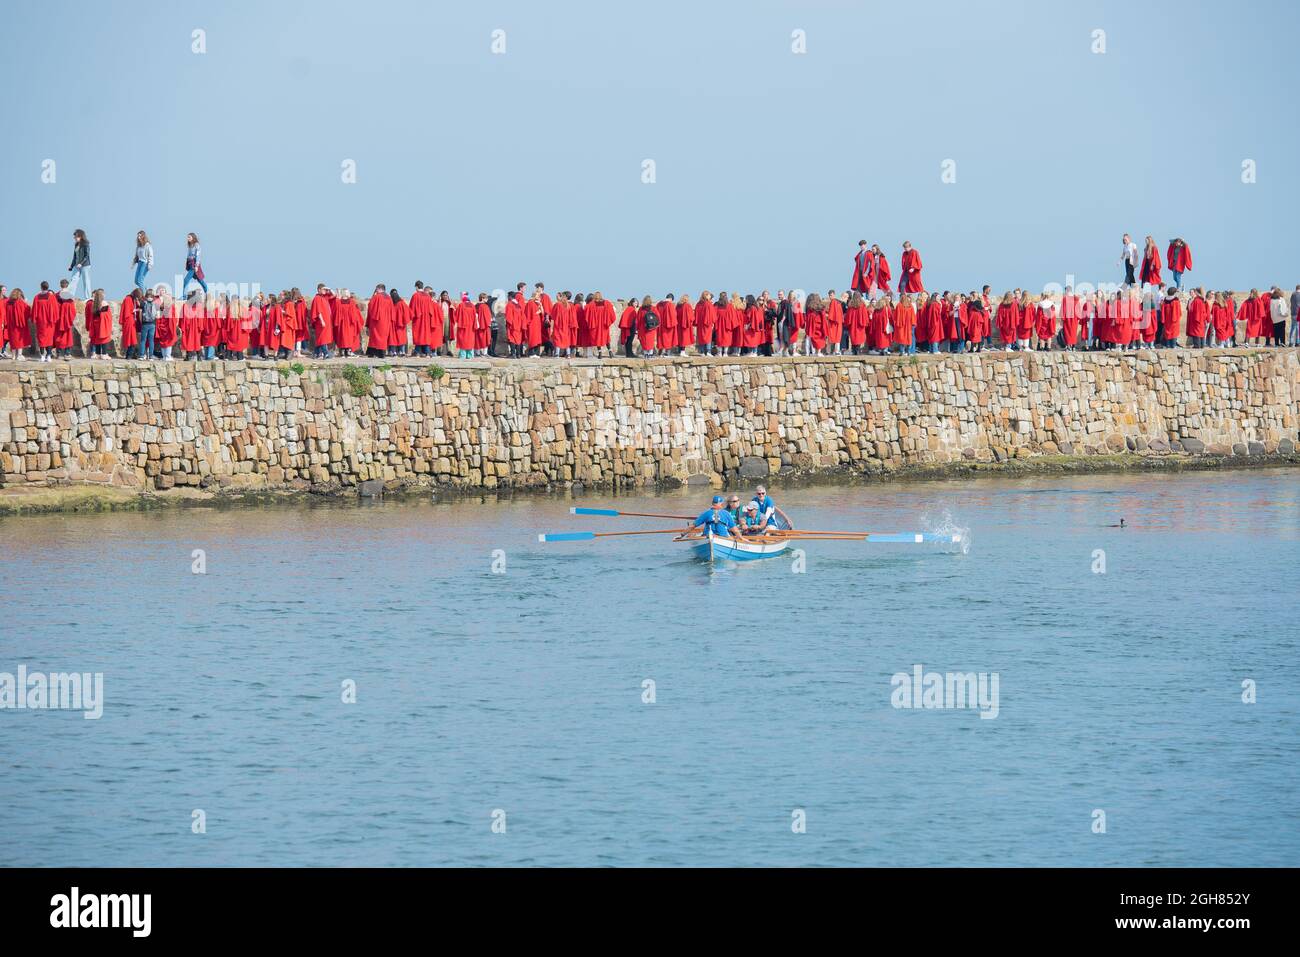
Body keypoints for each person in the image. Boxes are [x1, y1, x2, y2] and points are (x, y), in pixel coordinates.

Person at [68, 229, 92, 299]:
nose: (74, 238)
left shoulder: (86, 244)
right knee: (74, 279)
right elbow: (74, 256)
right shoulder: (76, 245)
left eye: (75, 237)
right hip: (76, 265)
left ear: (80, 236)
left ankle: (87, 298)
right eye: (74, 237)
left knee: (86, 281)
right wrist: (71, 266)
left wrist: (81, 263)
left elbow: (87, 255)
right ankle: (70, 295)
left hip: (85, 265)